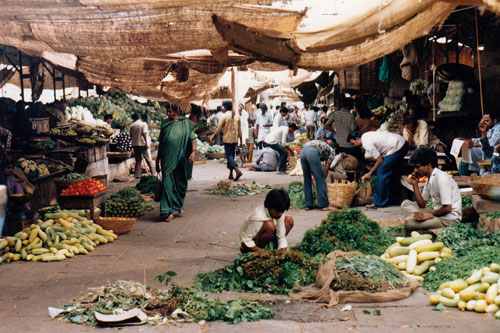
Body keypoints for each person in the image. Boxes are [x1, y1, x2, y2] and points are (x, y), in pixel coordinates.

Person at [401, 148, 462, 235]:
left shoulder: (441, 178)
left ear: (428, 165)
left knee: (409, 223)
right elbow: (422, 204)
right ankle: (420, 217)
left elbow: (448, 208)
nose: (415, 170)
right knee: (406, 203)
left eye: (417, 167)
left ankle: (420, 219)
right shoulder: (429, 178)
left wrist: (430, 215)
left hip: (448, 219)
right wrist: (415, 184)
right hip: (437, 212)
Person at [156, 104, 197, 222]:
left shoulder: (186, 123)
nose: (168, 114)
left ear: (176, 111)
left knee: (180, 183)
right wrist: (157, 160)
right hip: (166, 158)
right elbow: (161, 143)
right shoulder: (165, 124)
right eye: (167, 112)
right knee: (167, 183)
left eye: (170, 112)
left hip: (181, 159)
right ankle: (167, 211)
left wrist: (193, 152)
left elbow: (193, 139)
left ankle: (178, 206)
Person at [348, 130, 408, 208]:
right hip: (402, 143)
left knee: (381, 171)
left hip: (397, 146)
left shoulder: (366, 143)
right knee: (392, 172)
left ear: (357, 139)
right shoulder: (366, 135)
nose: (355, 145)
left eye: (354, 143)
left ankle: (379, 202)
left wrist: (370, 173)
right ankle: (393, 200)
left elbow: (380, 160)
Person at [240, 189, 294, 253]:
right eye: (278, 211)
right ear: (270, 206)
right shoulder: (258, 216)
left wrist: (282, 248)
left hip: (269, 240)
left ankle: (273, 248)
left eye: (282, 211)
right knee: (270, 225)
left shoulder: (278, 214)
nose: (280, 214)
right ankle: (261, 251)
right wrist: (263, 252)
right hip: (251, 245)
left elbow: (281, 236)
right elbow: (245, 242)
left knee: (289, 220)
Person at [210, 100, 243, 181]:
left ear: (225, 107)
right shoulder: (237, 116)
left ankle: (237, 170)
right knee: (232, 156)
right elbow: (240, 130)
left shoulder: (224, 116)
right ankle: (231, 174)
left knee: (229, 157)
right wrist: (241, 140)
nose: (222, 108)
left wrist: (214, 136)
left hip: (227, 139)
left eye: (223, 106)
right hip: (235, 140)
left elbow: (218, 128)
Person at [300, 140, 337, 211]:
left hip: (303, 151)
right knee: (320, 178)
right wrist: (322, 178)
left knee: (307, 179)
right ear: (335, 149)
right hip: (312, 152)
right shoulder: (332, 151)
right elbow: (326, 168)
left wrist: (313, 175)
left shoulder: (323, 145)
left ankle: (308, 205)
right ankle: (324, 205)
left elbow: (311, 165)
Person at [130, 113, 156, 179]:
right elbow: (144, 133)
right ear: (139, 117)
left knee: (138, 159)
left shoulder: (132, 125)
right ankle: (153, 172)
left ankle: (137, 174)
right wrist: (147, 142)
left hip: (135, 144)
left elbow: (131, 135)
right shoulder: (143, 124)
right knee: (147, 158)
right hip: (142, 143)